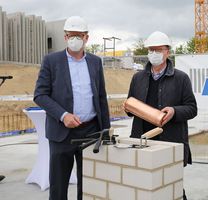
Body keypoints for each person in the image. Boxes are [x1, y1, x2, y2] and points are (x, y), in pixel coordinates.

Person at [34, 16, 110, 200]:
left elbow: (101, 97)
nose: (75, 39)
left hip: (91, 132)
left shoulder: (95, 62)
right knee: (59, 187)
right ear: (65, 37)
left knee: (89, 185)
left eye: (79, 35)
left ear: (86, 38)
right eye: (71, 35)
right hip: (62, 133)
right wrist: (63, 115)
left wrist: (106, 131)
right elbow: (40, 95)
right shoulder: (51, 61)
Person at [126, 31, 197, 200]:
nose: (154, 53)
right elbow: (130, 107)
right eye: (151, 49)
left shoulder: (181, 78)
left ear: (167, 52)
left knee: (173, 188)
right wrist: (128, 108)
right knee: (144, 187)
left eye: (158, 50)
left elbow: (192, 108)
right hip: (142, 141)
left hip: (169, 141)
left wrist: (174, 111)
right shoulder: (138, 78)